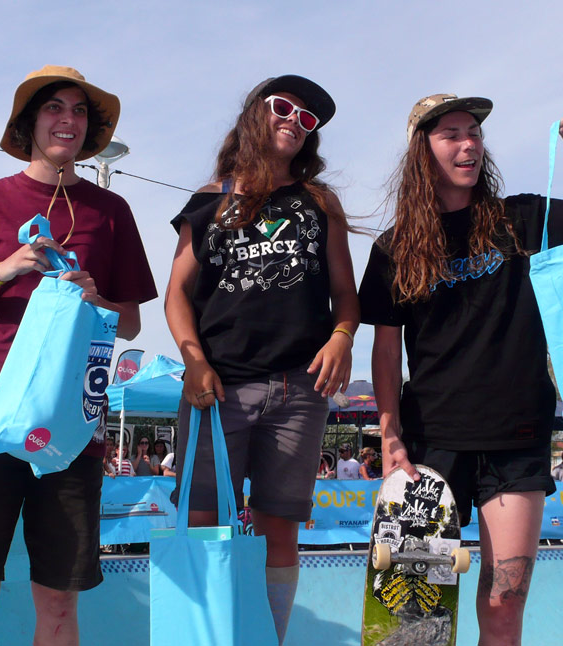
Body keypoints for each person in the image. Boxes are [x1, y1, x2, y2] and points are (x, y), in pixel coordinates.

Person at [358, 94, 563, 645]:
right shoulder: (395, 248)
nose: (468, 143)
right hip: (430, 442)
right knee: (416, 615)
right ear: (423, 150)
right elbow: (387, 350)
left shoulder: (522, 218)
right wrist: (390, 433)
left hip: (517, 433)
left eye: (474, 132)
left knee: (504, 598)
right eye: (451, 134)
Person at [0, 64, 157, 646]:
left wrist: (97, 297)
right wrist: (6, 269)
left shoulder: (112, 211)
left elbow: (130, 323)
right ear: (29, 123)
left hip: (70, 425)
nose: (67, 120)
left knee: (58, 601)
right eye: (54, 108)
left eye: (79, 111)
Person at [164, 74, 359, 644]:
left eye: (308, 120)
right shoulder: (208, 199)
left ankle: (266, 637)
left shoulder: (320, 201)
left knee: (280, 528)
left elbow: (345, 294)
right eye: (283, 108)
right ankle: (205, 636)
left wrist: (343, 335)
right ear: (255, 113)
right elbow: (176, 292)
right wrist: (193, 359)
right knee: (203, 522)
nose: (294, 122)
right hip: (216, 386)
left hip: (299, 389)